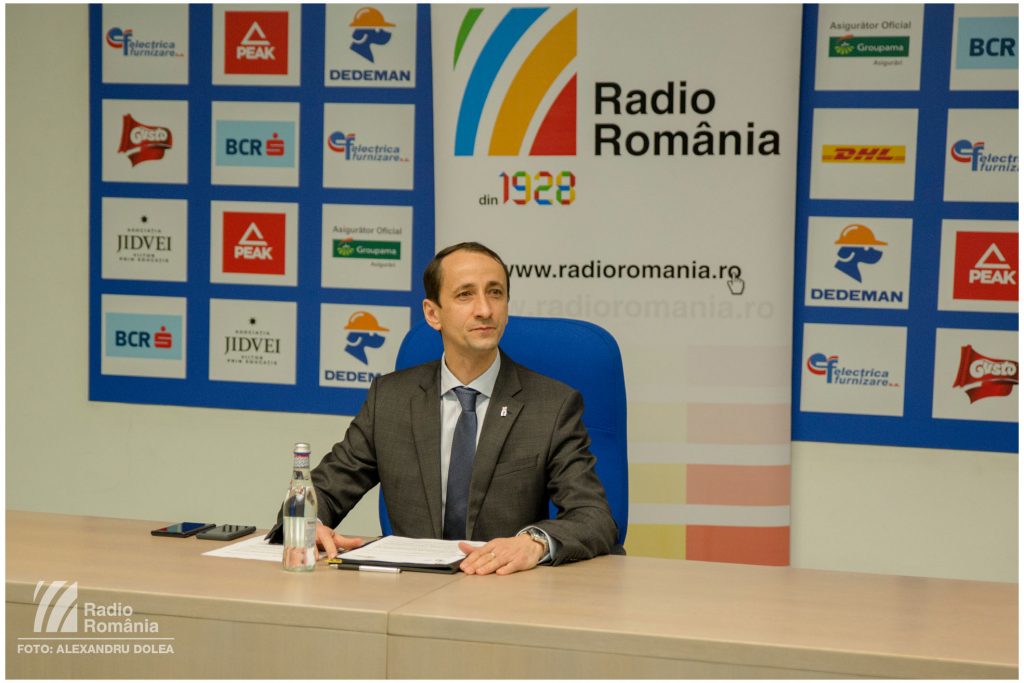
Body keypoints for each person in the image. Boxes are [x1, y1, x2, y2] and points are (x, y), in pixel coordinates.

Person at [275, 242, 618, 575]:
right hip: (410, 589)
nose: (485, 309)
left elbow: (594, 517)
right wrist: (309, 524)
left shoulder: (551, 406)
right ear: (433, 313)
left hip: (504, 587)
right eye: (465, 294)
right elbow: (320, 493)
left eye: (495, 293)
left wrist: (534, 543)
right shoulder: (390, 399)